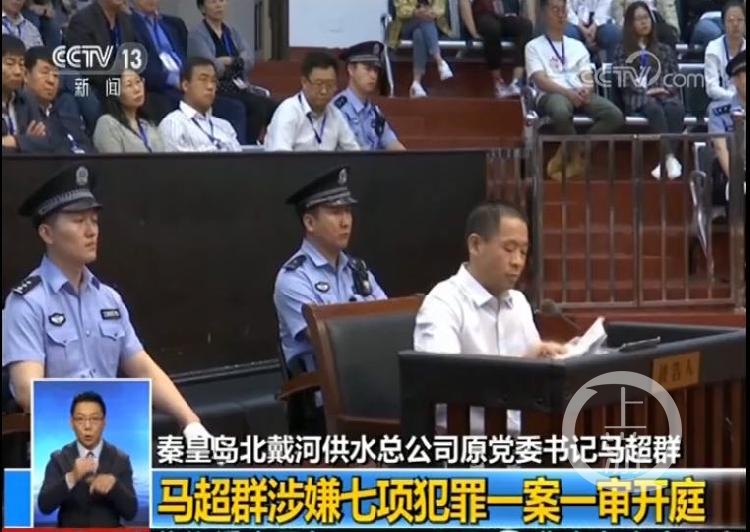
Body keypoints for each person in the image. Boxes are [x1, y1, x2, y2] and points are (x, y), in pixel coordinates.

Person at [1, 164, 211, 442]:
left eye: (95, 220)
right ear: (47, 234)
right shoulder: (27, 302)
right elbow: (27, 390)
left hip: (116, 436)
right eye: (78, 221)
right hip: (58, 441)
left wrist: (189, 421)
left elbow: (142, 367)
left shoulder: (108, 299)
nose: (91, 231)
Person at [413, 202, 569, 434]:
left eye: (523, 252)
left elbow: (534, 377)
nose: (517, 261)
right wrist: (520, 369)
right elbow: (443, 385)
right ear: (476, 245)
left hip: (525, 436)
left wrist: (547, 359)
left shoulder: (518, 303)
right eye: (509, 249)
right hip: (467, 444)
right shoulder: (443, 303)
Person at [274, 166, 387, 433]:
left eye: (348, 211)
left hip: (368, 386)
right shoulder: (294, 278)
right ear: (310, 223)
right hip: (321, 399)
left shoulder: (358, 270)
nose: (346, 221)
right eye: (335, 212)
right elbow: (330, 342)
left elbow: (389, 323)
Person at [525, 0, 624, 180]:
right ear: (544, 13)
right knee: (561, 111)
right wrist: (568, 93)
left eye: (563, 10)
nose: (561, 14)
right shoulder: (533, 46)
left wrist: (587, 88)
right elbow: (541, 80)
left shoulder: (577, 46)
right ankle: (577, 157)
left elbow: (586, 75)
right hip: (552, 94)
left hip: (579, 92)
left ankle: (575, 150)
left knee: (614, 115)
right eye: (555, 10)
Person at [129, 0, 247, 142]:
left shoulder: (174, 24)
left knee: (235, 107)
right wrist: (176, 80)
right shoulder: (128, 24)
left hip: (188, 83)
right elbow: (141, 68)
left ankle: (235, 153)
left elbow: (190, 58)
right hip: (160, 88)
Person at [37, 391, 137, 527]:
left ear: (104, 422)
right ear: (71, 423)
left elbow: (131, 513)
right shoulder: (59, 459)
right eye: (80, 419)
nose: (87, 426)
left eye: (94, 419)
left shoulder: (120, 459)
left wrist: (115, 486)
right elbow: (44, 506)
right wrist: (72, 477)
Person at [187, 0, 277, 144]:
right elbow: (211, 68)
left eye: (222, 0)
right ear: (202, 8)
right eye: (213, 2)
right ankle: (245, 148)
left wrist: (228, 61)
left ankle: (271, 147)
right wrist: (237, 62)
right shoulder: (196, 35)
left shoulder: (232, 31)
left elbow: (249, 60)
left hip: (239, 87)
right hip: (217, 89)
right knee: (255, 107)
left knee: (274, 107)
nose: (218, 5)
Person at [613, 1, 685, 180]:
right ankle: (669, 157)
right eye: (638, 19)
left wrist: (665, 89)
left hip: (663, 94)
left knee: (675, 108)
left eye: (646, 17)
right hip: (637, 97)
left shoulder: (664, 49)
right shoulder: (622, 50)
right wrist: (645, 91)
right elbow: (623, 79)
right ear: (630, 24)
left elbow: (675, 77)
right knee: (654, 108)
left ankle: (666, 160)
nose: (644, 22)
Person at [64, 0, 137, 132]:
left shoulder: (126, 20)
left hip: (123, 86)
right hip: (96, 88)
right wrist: (121, 75)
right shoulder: (82, 21)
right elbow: (89, 67)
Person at [264, 51, 360, 152]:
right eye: (318, 84)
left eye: (330, 84)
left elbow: (354, 154)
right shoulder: (289, 111)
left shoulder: (335, 115)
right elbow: (280, 156)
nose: (324, 91)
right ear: (304, 82)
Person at [158, 56, 241, 152]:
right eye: (203, 79)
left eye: (213, 81)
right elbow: (178, 161)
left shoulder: (225, 126)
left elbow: (240, 160)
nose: (210, 86)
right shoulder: (173, 124)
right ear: (185, 85)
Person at [334, 41, 405, 151]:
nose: (373, 76)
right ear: (351, 70)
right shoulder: (337, 110)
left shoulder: (375, 112)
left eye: (375, 70)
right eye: (367, 69)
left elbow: (391, 142)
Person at [23, 45, 95, 154]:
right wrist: (26, 144)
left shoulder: (64, 110)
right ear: (25, 75)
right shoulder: (20, 112)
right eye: (44, 72)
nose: (51, 80)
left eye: (56, 75)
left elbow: (86, 147)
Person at [459, 0, 533, 98]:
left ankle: (516, 82)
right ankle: (498, 81)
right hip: (482, 16)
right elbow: (464, 3)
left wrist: (531, 20)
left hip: (503, 16)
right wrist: (473, 32)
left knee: (526, 26)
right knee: (492, 28)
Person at [387, 0, 455, 98]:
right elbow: (401, 11)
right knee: (424, 21)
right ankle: (439, 61)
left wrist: (430, 12)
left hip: (431, 22)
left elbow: (440, 8)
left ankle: (416, 83)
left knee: (418, 34)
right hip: (406, 24)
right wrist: (415, 12)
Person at [93, 69, 165, 152]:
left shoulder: (148, 124)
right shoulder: (108, 123)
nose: (137, 89)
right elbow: (113, 159)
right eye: (129, 85)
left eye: (138, 82)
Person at [707, 52, 746, 202]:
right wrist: (737, 181)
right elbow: (720, 148)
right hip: (733, 170)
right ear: (735, 81)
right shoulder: (718, 111)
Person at [2, 34, 48, 153]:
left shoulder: (27, 99)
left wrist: (16, 141)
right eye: (10, 63)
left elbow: (45, 142)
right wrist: (26, 142)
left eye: (21, 64)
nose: (18, 71)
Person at [704, 1, 745, 102]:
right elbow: (712, 89)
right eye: (730, 21)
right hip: (722, 102)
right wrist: (737, 98)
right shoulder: (713, 48)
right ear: (723, 24)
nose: (735, 24)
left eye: (740, 20)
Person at [612, 0, 680, 46]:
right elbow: (617, 7)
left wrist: (674, 28)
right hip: (632, 16)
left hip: (655, 18)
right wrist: (623, 25)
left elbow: (668, 8)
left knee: (668, 33)